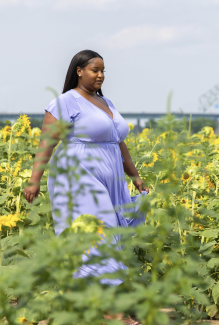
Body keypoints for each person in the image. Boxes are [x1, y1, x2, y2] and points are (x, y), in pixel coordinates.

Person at [23, 50, 148, 324]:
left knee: (107, 236)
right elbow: (47, 143)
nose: (101, 75)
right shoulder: (64, 103)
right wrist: (35, 180)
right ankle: (114, 312)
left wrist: (134, 175)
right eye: (95, 70)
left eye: (103, 71)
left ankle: (74, 299)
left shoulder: (106, 102)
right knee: (97, 235)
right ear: (79, 71)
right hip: (78, 175)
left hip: (110, 175)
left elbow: (118, 140)